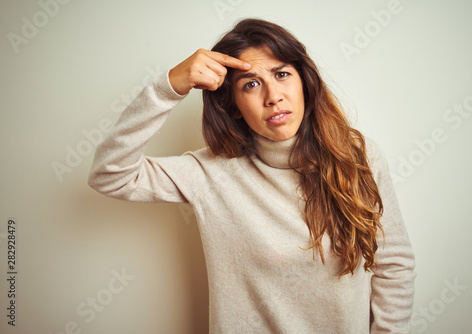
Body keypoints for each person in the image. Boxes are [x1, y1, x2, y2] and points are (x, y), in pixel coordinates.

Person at [88, 18, 416, 333]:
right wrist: (168, 88)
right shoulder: (210, 174)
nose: (273, 97)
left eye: (282, 74)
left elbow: (394, 266)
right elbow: (110, 174)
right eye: (252, 84)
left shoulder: (359, 155)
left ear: (304, 82)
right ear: (233, 106)